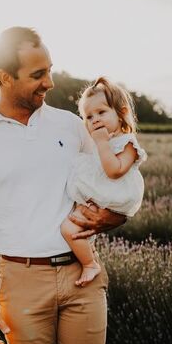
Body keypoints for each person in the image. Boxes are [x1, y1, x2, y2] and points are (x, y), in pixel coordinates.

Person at [0, 27, 125, 344]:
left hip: (83, 277)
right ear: (4, 77)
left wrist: (116, 218)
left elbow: (111, 179)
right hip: (21, 278)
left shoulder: (71, 125)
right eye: (38, 75)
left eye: (49, 69)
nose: (51, 81)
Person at [61, 77, 147, 287]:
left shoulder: (127, 143)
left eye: (101, 112)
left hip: (115, 194)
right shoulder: (99, 141)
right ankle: (88, 257)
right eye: (89, 116)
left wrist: (101, 143)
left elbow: (114, 171)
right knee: (72, 227)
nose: (95, 120)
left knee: (68, 229)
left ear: (122, 113)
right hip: (100, 193)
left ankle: (90, 264)